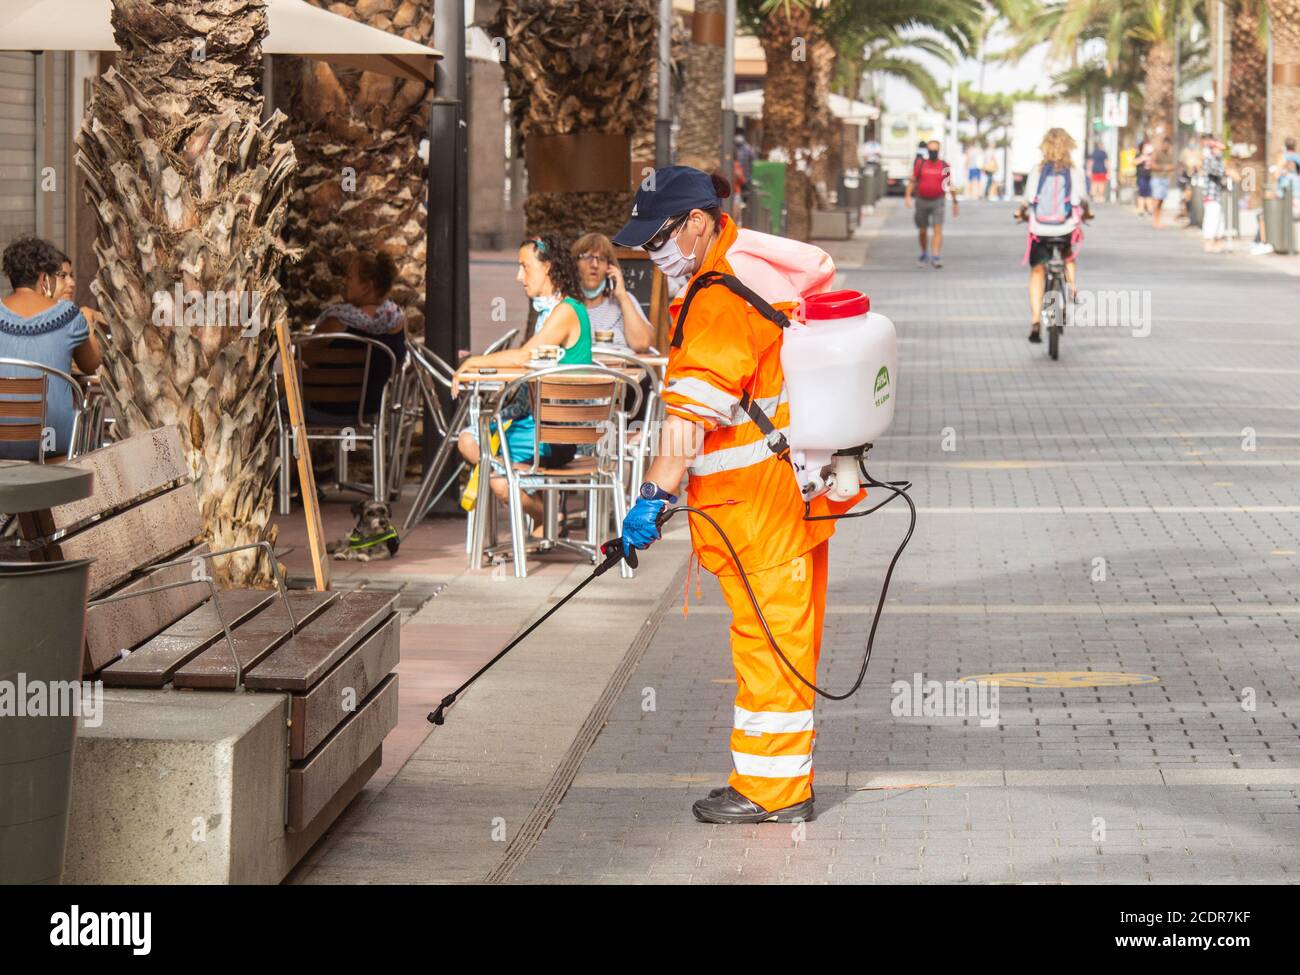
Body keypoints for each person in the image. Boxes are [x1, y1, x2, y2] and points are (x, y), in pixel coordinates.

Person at [613, 165, 862, 826]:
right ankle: (772, 778)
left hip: (761, 512)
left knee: (768, 647)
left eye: (658, 236)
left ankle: (775, 791)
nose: (650, 251)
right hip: (787, 501)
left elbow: (689, 418)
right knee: (779, 644)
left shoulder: (720, 298)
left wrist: (650, 496)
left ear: (697, 222)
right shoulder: (737, 276)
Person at [454, 235, 592, 529]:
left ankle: (540, 510)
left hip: (555, 435)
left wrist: (474, 362)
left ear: (549, 268)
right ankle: (532, 498)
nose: (519, 276)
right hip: (542, 428)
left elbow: (524, 357)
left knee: (480, 454)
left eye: (525, 267)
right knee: (471, 442)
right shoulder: (549, 311)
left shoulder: (566, 311)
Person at [0, 236, 101, 459]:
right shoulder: (67, 315)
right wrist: (87, 321)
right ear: (44, 278)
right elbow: (91, 364)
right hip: (52, 443)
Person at [306, 251, 407, 423]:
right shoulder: (398, 321)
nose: (344, 282)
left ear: (367, 286)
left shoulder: (336, 321)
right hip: (370, 411)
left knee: (279, 404)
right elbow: (398, 367)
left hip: (323, 410)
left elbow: (306, 358)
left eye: (349, 277)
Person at [1016, 128, 1091, 344]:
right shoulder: (1074, 171)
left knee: (1037, 271)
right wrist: (1087, 212)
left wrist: (1021, 213)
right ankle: (1071, 288)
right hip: (1065, 228)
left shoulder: (1037, 171)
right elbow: (1080, 200)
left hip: (1040, 229)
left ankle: (1035, 321)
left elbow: (1028, 199)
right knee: (1068, 255)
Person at [571, 233, 654, 354]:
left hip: (619, 372)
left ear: (609, 268)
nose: (594, 265)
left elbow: (641, 344)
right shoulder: (566, 304)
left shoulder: (625, 300)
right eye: (587, 257)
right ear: (575, 264)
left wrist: (622, 295)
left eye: (601, 259)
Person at [904, 139, 960, 268]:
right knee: (922, 230)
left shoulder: (944, 165)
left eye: (935, 150)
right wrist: (907, 196)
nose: (932, 153)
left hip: (938, 200)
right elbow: (913, 180)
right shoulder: (921, 164)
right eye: (930, 150)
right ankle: (924, 252)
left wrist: (955, 201)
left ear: (939, 151)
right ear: (927, 151)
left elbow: (949, 183)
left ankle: (935, 255)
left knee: (937, 228)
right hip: (921, 200)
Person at [1200, 137, 1228, 253]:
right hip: (1210, 195)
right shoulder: (1209, 159)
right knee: (1211, 218)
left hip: (1217, 195)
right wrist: (1228, 172)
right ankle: (1208, 242)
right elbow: (1215, 171)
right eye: (1219, 149)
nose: (1221, 152)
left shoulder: (1218, 160)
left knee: (1219, 219)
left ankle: (1218, 242)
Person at [1150, 137, 1175, 228]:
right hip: (1157, 178)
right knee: (1156, 199)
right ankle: (1155, 219)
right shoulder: (1157, 152)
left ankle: (1159, 219)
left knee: (1161, 200)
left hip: (1165, 179)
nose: (1166, 147)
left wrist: (1169, 173)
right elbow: (1151, 164)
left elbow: (1172, 167)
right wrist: (1164, 167)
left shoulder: (1169, 154)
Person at [1178, 134, 1202, 221]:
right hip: (1186, 176)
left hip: (1195, 177)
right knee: (1186, 196)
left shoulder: (1198, 152)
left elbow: (1201, 163)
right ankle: (1185, 212)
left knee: (1192, 196)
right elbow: (1180, 163)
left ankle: (1191, 214)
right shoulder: (1185, 151)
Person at [1135, 140, 1153, 215]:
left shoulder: (1151, 156)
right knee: (1142, 193)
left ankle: (1150, 209)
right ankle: (1141, 209)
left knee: (1149, 193)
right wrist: (1143, 158)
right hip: (1141, 176)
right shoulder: (1139, 155)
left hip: (1149, 176)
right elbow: (1134, 162)